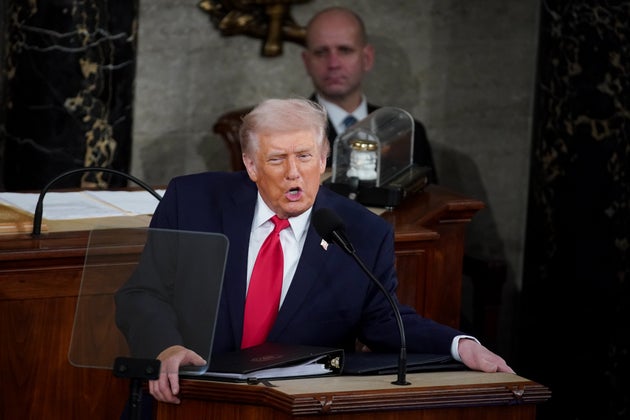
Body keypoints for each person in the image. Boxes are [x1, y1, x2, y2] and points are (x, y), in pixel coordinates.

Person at [115, 98, 513, 405]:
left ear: (323, 160)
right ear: (251, 165)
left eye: (305, 157)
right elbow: (142, 293)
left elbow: (384, 319)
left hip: (294, 406)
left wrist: (461, 346)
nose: (293, 172)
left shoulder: (361, 232)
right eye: (276, 159)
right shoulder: (193, 200)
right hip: (190, 396)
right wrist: (164, 346)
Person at [301, 7, 437, 183]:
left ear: (367, 58)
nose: (333, 63)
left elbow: (430, 203)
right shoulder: (287, 131)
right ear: (307, 62)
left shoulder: (406, 132)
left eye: (344, 50)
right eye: (321, 52)